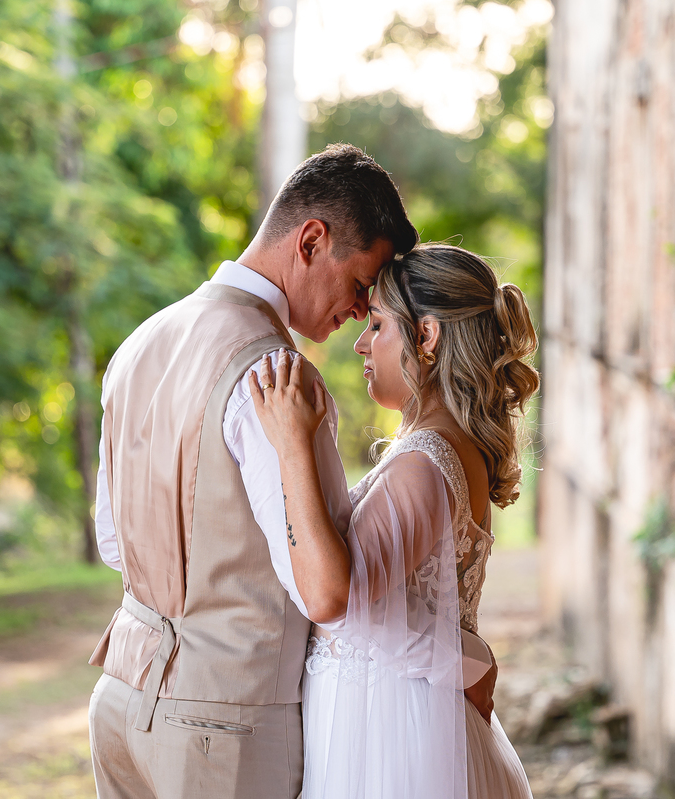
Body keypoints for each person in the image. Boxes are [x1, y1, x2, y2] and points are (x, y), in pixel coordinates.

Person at [87, 144, 432, 799]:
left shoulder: (141, 343)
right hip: (226, 726)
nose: (362, 310)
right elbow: (323, 589)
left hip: (120, 701)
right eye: (361, 284)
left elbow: (114, 541)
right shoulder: (276, 378)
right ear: (311, 240)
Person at [251, 243, 537, 798]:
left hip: (389, 736)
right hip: (406, 719)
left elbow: (337, 599)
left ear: (425, 337)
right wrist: (468, 660)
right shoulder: (448, 449)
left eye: (378, 324)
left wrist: (292, 448)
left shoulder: (425, 462)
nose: (361, 342)